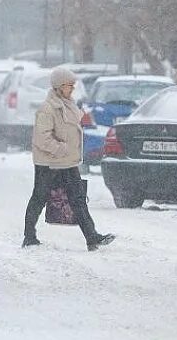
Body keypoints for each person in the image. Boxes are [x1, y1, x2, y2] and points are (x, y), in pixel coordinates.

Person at [23, 67, 115, 251]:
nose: (71, 89)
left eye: (73, 86)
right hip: (48, 163)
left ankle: (92, 237)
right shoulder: (48, 109)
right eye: (68, 86)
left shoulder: (70, 105)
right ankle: (29, 236)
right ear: (58, 87)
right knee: (40, 197)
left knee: (78, 199)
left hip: (68, 162)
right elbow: (42, 138)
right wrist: (61, 149)